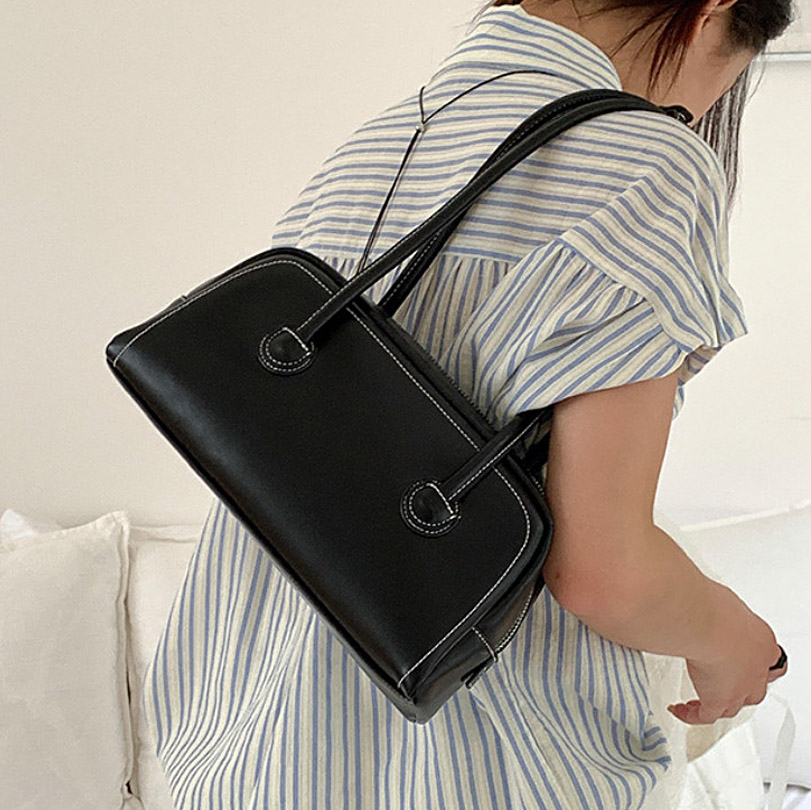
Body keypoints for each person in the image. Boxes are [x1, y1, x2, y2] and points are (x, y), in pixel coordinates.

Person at [141, 1, 793, 808]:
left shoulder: (375, 144)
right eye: (711, 90)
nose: (689, 115)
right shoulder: (649, 159)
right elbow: (602, 572)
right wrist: (733, 639)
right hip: (473, 761)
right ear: (713, 10)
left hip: (245, 741)